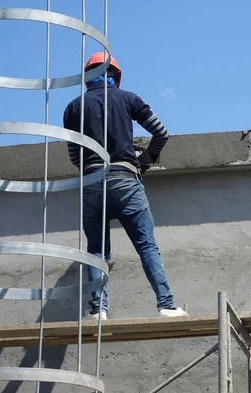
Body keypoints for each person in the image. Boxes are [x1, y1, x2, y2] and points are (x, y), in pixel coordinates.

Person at [63, 52, 186, 319]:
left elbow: (75, 157)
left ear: (87, 79)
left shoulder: (73, 108)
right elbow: (161, 133)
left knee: (96, 250)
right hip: (126, 179)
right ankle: (165, 305)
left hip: (92, 180)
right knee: (147, 246)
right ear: (114, 76)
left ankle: (99, 310)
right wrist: (146, 159)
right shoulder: (129, 98)